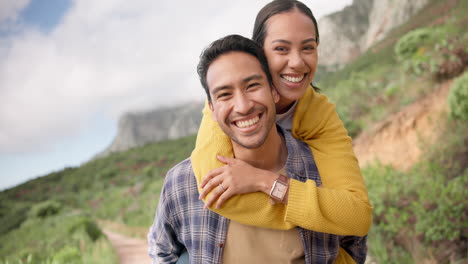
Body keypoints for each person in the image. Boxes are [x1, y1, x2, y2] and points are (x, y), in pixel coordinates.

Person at [148, 34, 366, 264]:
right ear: (211, 110)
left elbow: (354, 246)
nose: (242, 106)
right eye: (225, 95)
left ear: (274, 91)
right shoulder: (182, 183)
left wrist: (266, 182)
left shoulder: (322, 171)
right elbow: (162, 251)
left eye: (252, 86)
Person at [192, 0, 372, 235]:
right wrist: (320, 217)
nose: (297, 62)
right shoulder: (226, 106)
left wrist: (264, 182)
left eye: (308, 48)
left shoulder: (319, 115)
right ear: (258, 53)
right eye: (281, 49)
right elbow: (217, 194)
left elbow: (356, 215)